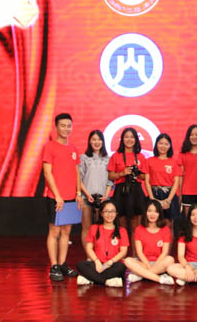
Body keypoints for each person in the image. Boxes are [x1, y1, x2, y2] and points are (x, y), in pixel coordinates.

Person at [42, 113, 81, 282]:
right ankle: (54, 266)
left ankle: (63, 263)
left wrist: (78, 193)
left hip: (71, 197)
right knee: (54, 232)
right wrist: (57, 195)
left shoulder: (73, 149)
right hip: (55, 197)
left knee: (66, 232)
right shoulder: (50, 147)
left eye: (69, 126)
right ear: (56, 127)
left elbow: (77, 172)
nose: (66, 129)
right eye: (63, 125)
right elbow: (47, 172)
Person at [107, 127, 147, 242]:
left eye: (132, 137)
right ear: (122, 139)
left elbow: (145, 177)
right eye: (126, 137)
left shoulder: (141, 156)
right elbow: (110, 176)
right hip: (121, 190)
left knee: (136, 226)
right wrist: (122, 173)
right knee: (122, 225)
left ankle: (135, 252)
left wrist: (137, 173)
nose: (129, 140)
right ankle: (122, 251)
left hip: (136, 191)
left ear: (136, 139)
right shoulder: (116, 155)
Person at [76, 200, 128, 287]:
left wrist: (109, 263)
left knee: (121, 267)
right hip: (97, 263)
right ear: (101, 213)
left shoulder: (122, 230)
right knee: (81, 265)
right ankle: (106, 281)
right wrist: (97, 261)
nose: (109, 214)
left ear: (116, 213)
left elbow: (123, 252)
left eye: (112, 211)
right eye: (106, 211)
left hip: (113, 264)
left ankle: (91, 279)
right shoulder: (94, 228)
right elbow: (89, 248)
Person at [124, 200, 175, 285]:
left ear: (159, 214)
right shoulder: (139, 229)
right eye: (149, 211)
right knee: (127, 260)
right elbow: (139, 253)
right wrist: (148, 264)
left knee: (170, 259)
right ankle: (159, 278)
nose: (152, 214)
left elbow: (164, 252)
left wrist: (155, 265)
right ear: (145, 213)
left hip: (159, 263)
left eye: (156, 211)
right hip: (144, 263)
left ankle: (141, 275)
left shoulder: (165, 229)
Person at [79, 130, 113, 248]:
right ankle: (89, 255)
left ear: (103, 142)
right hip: (86, 198)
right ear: (89, 141)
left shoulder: (108, 159)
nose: (96, 142)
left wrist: (106, 195)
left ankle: (101, 253)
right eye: (94, 139)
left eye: (99, 139)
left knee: (102, 228)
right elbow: (79, 179)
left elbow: (110, 180)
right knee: (86, 228)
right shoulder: (84, 158)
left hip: (104, 199)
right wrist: (87, 194)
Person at [145, 133, 182, 226]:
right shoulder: (149, 161)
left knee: (169, 223)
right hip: (154, 194)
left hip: (169, 195)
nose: (163, 146)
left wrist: (168, 200)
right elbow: (147, 181)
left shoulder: (174, 162)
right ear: (156, 144)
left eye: (166, 144)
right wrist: (152, 199)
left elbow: (176, 183)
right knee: (152, 222)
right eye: (161, 143)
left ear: (170, 146)